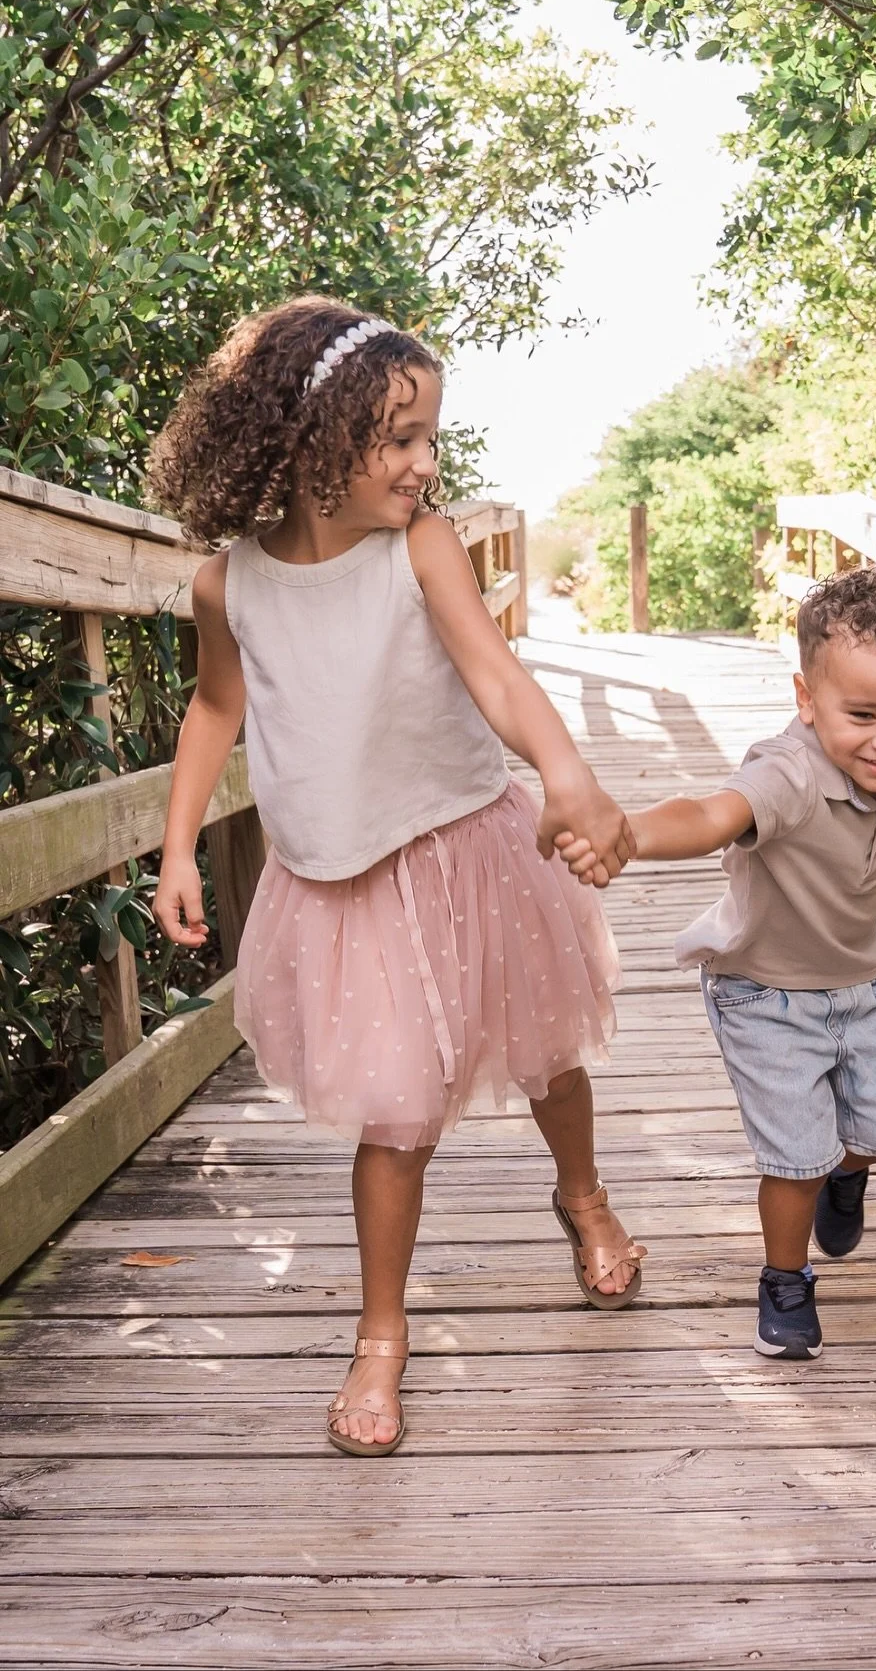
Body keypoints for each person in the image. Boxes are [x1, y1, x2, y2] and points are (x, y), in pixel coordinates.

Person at [149, 296, 646, 1457]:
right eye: (398, 437)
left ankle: (581, 1191)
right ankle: (383, 1333)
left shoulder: (420, 548)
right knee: (397, 1115)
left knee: (546, 1055)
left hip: (466, 844)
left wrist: (566, 771)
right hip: (340, 883)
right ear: (309, 436)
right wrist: (176, 845)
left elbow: (497, 673)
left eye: (432, 436)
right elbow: (217, 703)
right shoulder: (231, 585)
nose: (426, 464)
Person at [559, 568, 876, 1359]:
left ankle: (850, 1171)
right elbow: (710, 813)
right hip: (766, 995)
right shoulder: (790, 771)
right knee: (796, 1160)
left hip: (861, 984)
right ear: (807, 699)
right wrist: (626, 832)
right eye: (863, 713)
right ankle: (785, 1280)